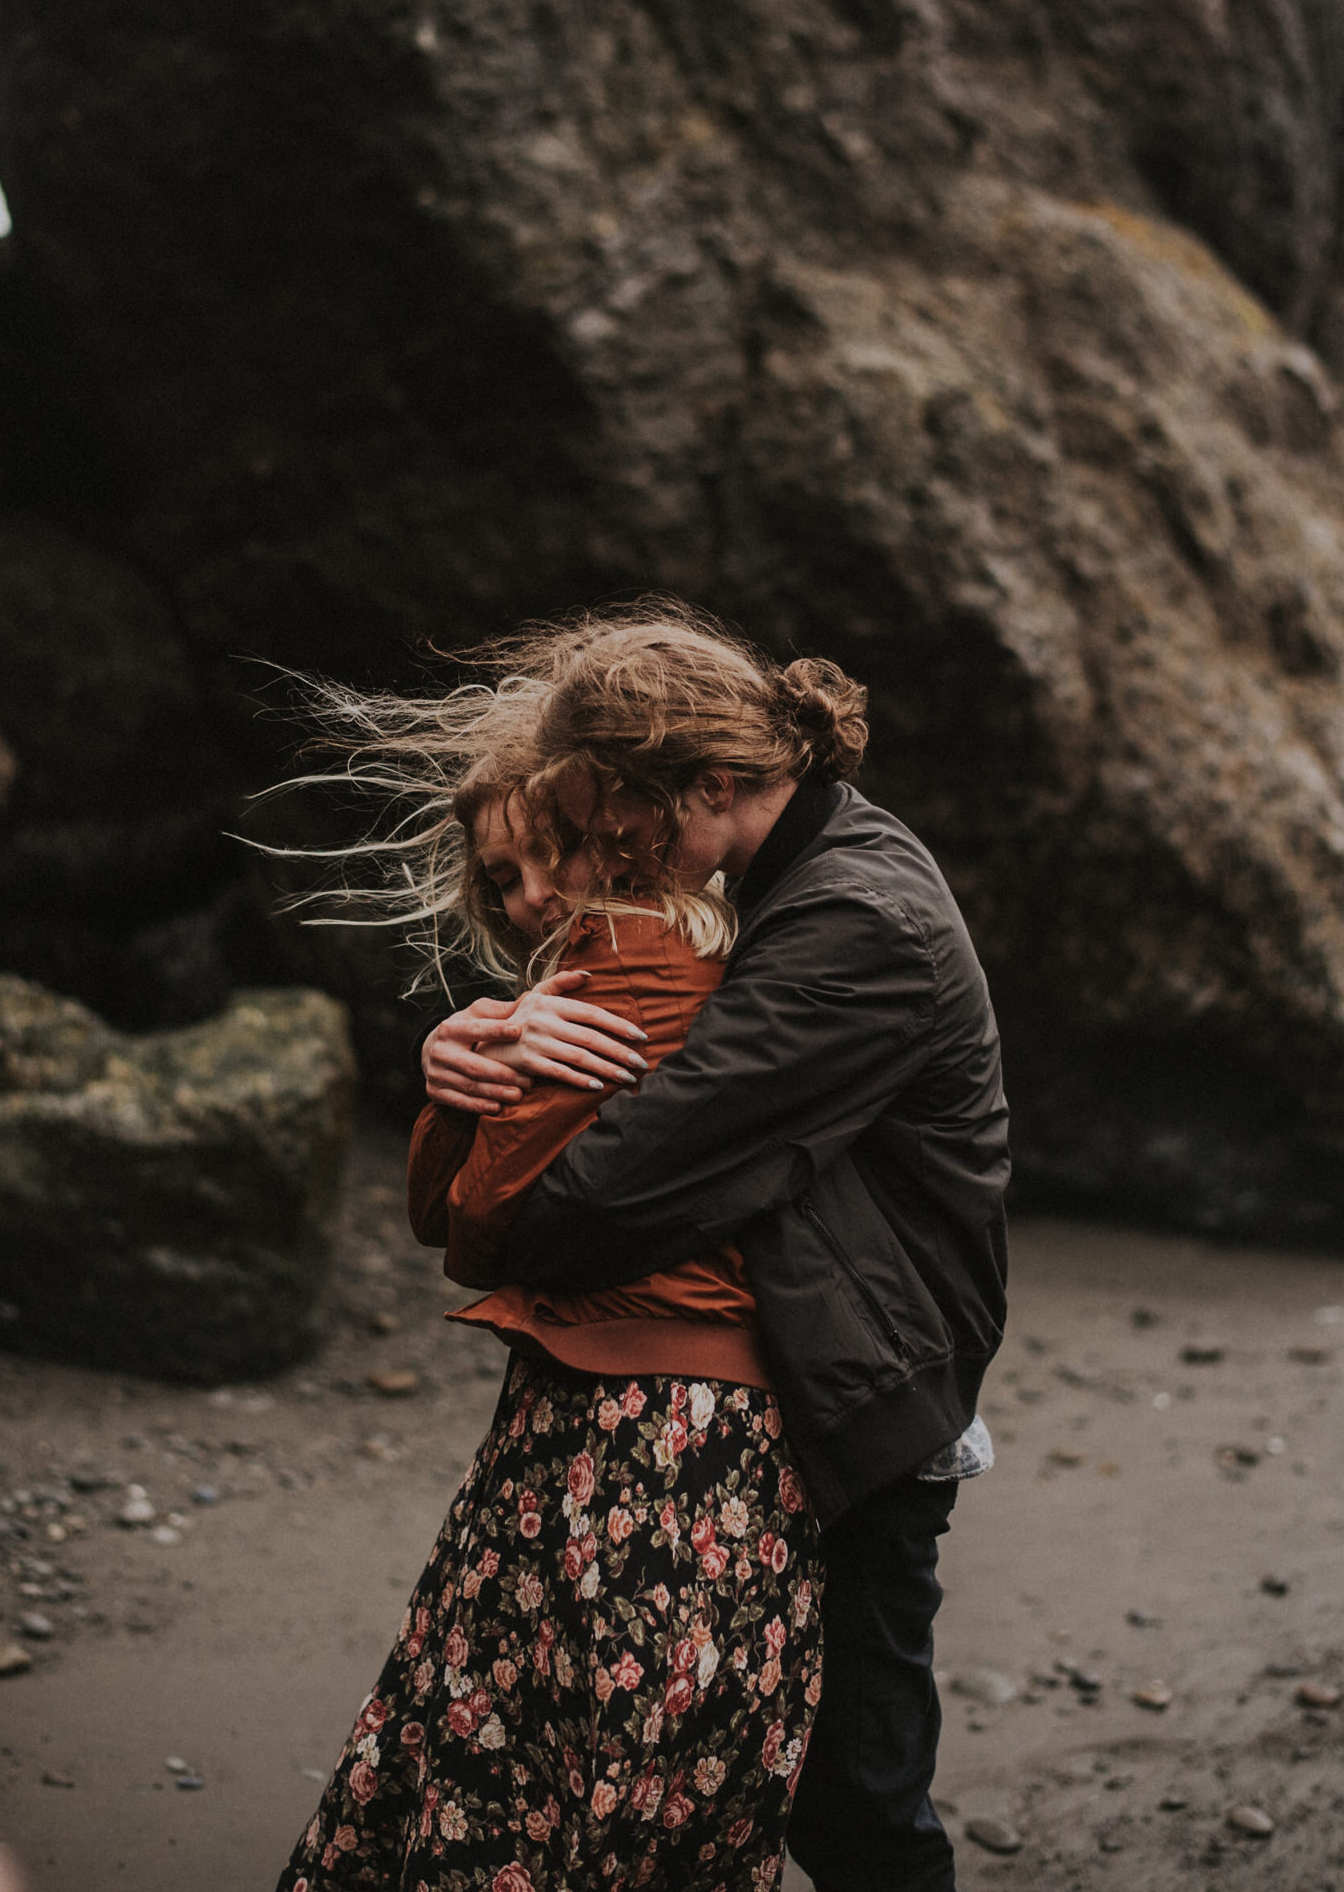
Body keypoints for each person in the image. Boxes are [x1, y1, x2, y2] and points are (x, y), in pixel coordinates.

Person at [419, 606, 1010, 1892]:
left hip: (863, 1399)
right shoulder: (802, 870)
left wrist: (499, 1127)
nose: (613, 849)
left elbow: (600, 1193)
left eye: (618, 815)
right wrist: (469, 1052)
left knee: (850, 1802)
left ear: (719, 783)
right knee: (781, 1779)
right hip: (819, 1377)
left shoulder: (857, 924)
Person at [275, 748, 824, 1892]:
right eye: (502, 872)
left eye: (552, 848)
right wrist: (463, 1063)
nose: (529, 890)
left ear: (623, 824)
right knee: (621, 1760)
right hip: (651, 1406)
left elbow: (478, 1227)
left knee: (523, 1751)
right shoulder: (660, 947)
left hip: (646, 1424)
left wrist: (483, 1075)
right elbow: (445, 1208)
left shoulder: (621, 948)